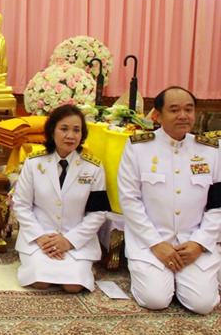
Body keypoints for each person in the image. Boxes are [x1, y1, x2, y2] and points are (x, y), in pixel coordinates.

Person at [118, 86, 221, 314]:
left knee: (202, 305)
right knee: (155, 300)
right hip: (151, 242)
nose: (183, 116)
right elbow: (130, 200)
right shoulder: (138, 148)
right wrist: (156, 244)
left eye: (188, 109)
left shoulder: (211, 151)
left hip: (193, 242)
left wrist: (199, 243)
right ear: (157, 115)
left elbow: (217, 206)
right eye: (174, 110)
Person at [12, 105, 110, 292]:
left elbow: (98, 213)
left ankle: (82, 267)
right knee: (40, 283)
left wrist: (69, 241)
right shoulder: (34, 163)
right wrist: (40, 237)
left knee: (73, 286)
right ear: (52, 131)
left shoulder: (93, 168)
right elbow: (21, 205)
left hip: (76, 239)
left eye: (76, 130)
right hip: (41, 237)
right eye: (64, 129)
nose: (70, 136)